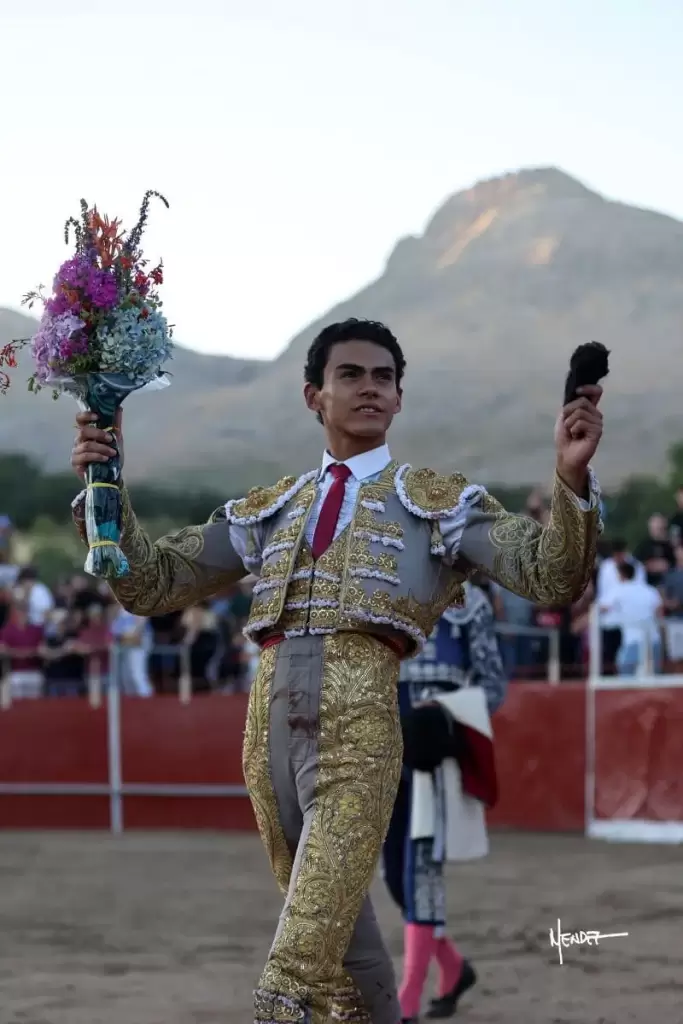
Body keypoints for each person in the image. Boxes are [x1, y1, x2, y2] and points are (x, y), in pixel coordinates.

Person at [69, 318, 604, 1024]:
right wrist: (106, 486)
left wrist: (569, 477)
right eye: (350, 375)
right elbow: (152, 584)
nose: (370, 388)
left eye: (384, 378)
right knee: (347, 962)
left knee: (292, 975)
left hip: (360, 734)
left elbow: (551, 574)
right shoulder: (271, 509)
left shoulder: (437, 505)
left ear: (399, 398)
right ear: (313, 396)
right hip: (267, 741)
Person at [382, 581, 506, 1021]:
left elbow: (493, 684)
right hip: (381, 746)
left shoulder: (468, 601)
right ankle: (453, 968)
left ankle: (408, 999)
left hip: (430, 755)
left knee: (420, 874)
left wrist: (446, 715)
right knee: (394, 877)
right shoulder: (381, 587)